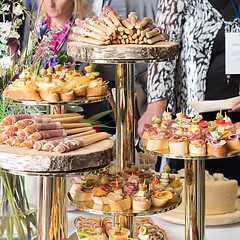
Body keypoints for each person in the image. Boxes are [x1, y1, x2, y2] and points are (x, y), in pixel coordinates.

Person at [138, 0, 240, 181]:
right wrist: (155, 105)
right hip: (194, 124)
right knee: (194, 193)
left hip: (236, 123)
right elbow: (162, 50)